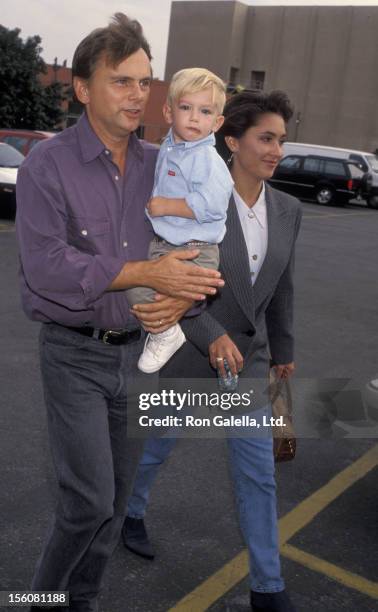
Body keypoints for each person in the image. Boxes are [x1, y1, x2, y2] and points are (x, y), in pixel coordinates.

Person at [15, 13, 224, 612]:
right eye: (122, 81)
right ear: (83, 88)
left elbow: (203, 241)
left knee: (116, 502)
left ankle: (83, 602)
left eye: (145, 82)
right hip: (74, 354)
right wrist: (146, 275)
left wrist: (183, 292)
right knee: (88, 503)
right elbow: (47, 268)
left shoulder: (167, 160)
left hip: (141, 356)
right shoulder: (46, 165)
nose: (139, 95)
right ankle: (38, 603)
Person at [123, 90, 302, 612]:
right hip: (190, 349)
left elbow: (283, 286)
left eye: (281, 141)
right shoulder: (199, 201)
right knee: (156, 445)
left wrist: (284, 352)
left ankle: (268, 589)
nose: (276, 151)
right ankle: (129, 513)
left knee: (258, 475)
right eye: (265, 138)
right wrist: (209, 332)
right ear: (231, 141)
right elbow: (166, 277)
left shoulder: (288, 209)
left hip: (250, 362)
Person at [126, 67, 233, 374]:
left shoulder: (206, 160)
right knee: (133, 284)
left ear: (217, 122)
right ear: (168, 111)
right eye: (186, 108)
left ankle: (164, 334)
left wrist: (165, 205)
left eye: (205, 111)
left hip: (196, 251)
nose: (194, 118)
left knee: (159, 295)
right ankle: (167, 332)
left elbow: (211, 205)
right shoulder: (171, 148)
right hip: (166, 245)